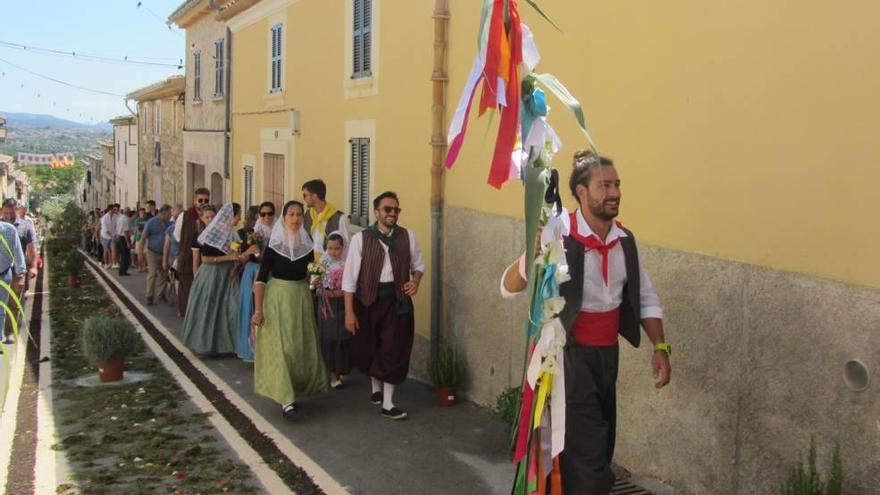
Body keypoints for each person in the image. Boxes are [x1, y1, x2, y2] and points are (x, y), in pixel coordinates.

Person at [501, 151, 671, 494]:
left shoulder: (626, 242)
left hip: (607, 359)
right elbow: (507, 287)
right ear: (581, 192)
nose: (615, 192)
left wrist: (660, 347)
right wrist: (531, 253)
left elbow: (645, 299)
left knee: (601, 446)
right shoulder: (557, 235)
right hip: (569, 361)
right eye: (604, 185)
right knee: (588, 460)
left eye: (617, 185)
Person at [343, 191, 424, 420]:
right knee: (370, 346)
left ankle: (388, 403)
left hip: (397, 301)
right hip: (367, 300)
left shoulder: (408, 237)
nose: (392, 213)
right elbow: (349, 279)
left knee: (393, 348)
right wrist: (349, 312)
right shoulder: (361, 239)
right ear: (377, 212)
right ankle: (375, 388)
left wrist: (415, 282)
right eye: (387, 209)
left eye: (396, 209)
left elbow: (418, 265)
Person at [251, 200, 328, 418]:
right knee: (281, 349)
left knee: (297, 348)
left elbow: (311, 277)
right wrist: (258, 310)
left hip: (300, 301)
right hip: (277, 300)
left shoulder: (308, 246)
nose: (295, 218)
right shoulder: (274, 247)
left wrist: (316, 282)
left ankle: (296, 388)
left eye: (299, 215)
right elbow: (261, 279)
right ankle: (286, 400)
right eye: (291, 214)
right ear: (283, 218)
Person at [182, 203, 254, 355]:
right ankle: (206, 344)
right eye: (237, 216)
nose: (239, 219)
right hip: (212, 274)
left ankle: (227, 345)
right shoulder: (214, 232)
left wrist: (245, 255)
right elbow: (206, 258)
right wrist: (228, 257)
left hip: (227, 274)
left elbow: (236, 255)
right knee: (210, 308)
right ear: (230, 216)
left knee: (229, 308)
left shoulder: (232, 233)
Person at [318, 232, 350, 388]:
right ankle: (332, 375)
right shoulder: (323, 263)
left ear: (342, 248)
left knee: (342, 339)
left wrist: (339, 292)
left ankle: (341, 370)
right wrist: (322, 289)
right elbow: (317, 283)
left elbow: (350, 286)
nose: (333, 252)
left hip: (343, 305)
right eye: (330, 248)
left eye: (336, 248)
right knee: (329, 338)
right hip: (327, 305)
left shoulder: (347, 264)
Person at [175, 188, 211, 316]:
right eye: (200, 200)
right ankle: (185, 313)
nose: (203, 202)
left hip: (204, 259)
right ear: (194, 200)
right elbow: (178, 236)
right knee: (187, 288)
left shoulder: (210, 216)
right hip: (187, 257)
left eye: (206, 200)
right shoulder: (185, 216)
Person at [235, 206, 262, 362]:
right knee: (249, 308)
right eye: (259, 215)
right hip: (250, 272)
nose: (263, 218)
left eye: (267, 214)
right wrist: (249, 251)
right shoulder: (243, 234)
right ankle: (249, 348)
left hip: (265, 271)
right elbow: (240, 258)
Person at [302, 179, 349, 257]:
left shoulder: (340, 218)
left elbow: (346, 247)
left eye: (305, 195)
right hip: (309, 263)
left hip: (331, 265)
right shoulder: (308, 215)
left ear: (314, 196)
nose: (304, 199)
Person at [0, 219, 25, 353]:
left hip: (3, 274)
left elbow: (18, 253)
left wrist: (20, 275)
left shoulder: (9, 230)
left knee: (1, 309)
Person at [142, 204, 172, 306]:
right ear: (163, 213)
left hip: (164, 253)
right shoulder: (151, 222)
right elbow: (144, 237)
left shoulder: (169, 223)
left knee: (163, 274)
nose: (170, 215)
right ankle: (149, 296)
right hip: (153, 252)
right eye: (168, 213)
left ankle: (161, 294)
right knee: (152, 273)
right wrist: (142, 253)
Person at [163, 204, 183, 312]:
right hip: (172, 259)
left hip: (181, 259)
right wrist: (164, 260)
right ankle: (172, 298)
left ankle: (178, 302)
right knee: (172, 280)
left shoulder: (186, 229)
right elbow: (166, 246)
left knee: (178, 281)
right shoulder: (170, 229)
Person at [115, 207, 133, 276]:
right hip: (124, 238)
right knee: (125, 255)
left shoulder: (120, 218)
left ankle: (123, 270)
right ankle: (123, 271)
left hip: (120, 237)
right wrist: (128, 242)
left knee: (123, 255)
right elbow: (125, 231)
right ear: (128, 212)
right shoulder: (125, 219)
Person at [134, 208, 148, 272]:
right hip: (139, 238)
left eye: (143, 213)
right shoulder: (137, 220)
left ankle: (145, 266)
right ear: (139, 214)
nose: (142, 214)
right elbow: (137, 229)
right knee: (139, 253)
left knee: (145, 253)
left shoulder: (147, 220)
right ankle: (140, 266)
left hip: (146, 238)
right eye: (140, 213)